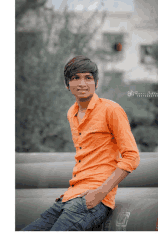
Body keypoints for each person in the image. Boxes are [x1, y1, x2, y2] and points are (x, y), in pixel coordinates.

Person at [21, 55, 140, 231]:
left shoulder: (111, 110)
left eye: (88, 78)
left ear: (96, 83)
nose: (82, 83)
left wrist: (99, 194)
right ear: (66, 84)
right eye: (75, 78)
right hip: (68, 197)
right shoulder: (72, 113)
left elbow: (132, 157)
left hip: (92, 200)